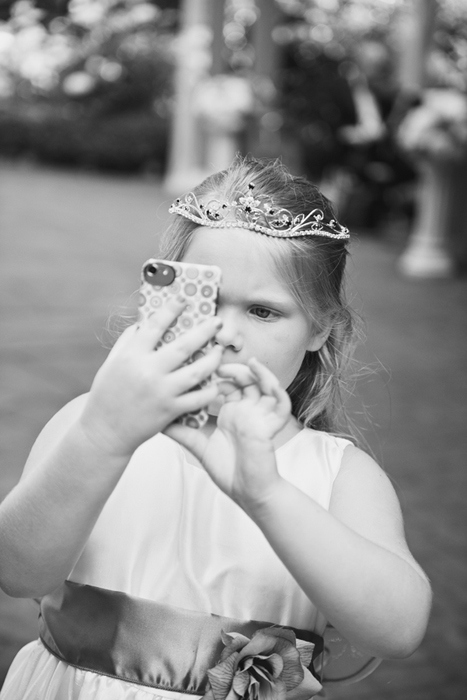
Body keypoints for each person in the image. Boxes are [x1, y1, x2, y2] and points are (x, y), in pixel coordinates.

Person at [0, 156, 431, 699]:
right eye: (206, 298)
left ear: (321, 328)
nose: (226, 333)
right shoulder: (91, 424)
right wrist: (101, 438)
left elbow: (398, 629)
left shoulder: (339, 474)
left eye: (263, 311)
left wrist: (267, 495)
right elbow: (17, 574)